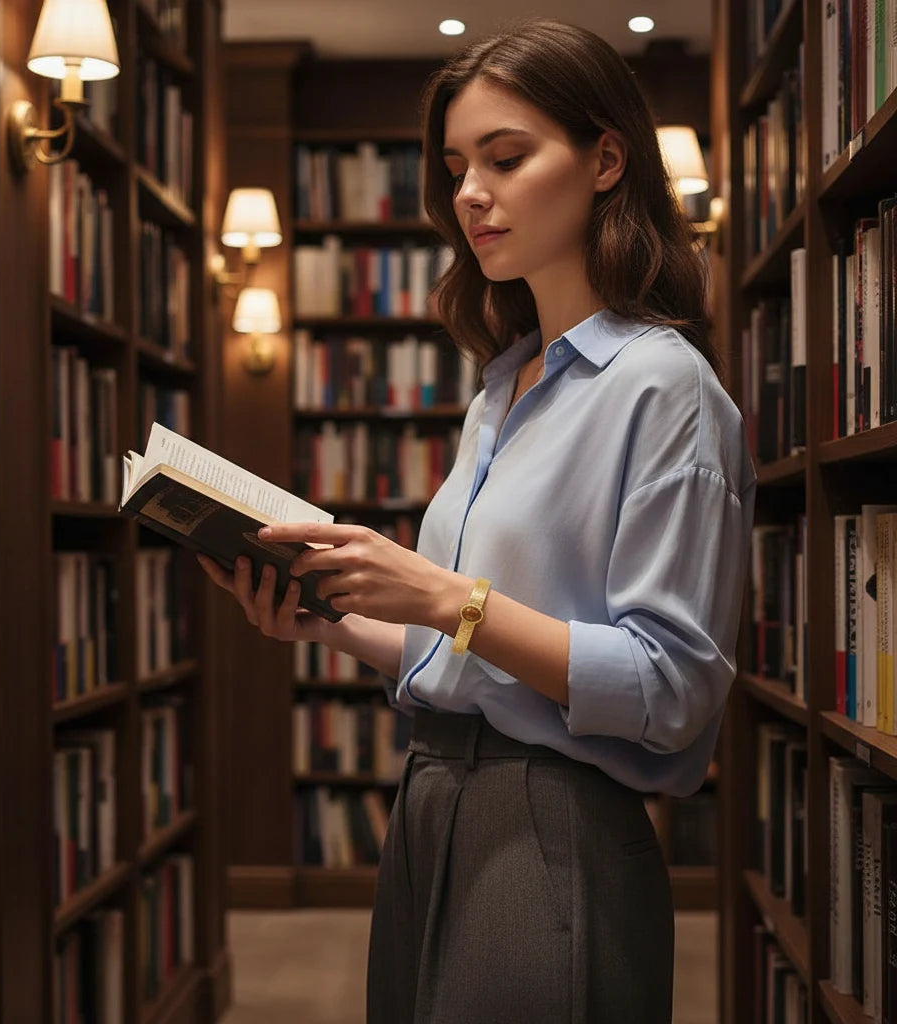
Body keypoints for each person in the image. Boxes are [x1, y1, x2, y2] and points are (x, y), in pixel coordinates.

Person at [199, 17, 755, 1024]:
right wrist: (331, 617)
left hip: (554, 825)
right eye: (455, 166)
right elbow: (473, 656)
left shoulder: (665, 389)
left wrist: (447, 595)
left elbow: (674, 691)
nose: (469, 193)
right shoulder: (502, 387)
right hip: (433, 800)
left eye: (505, 157)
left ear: (604, 160)